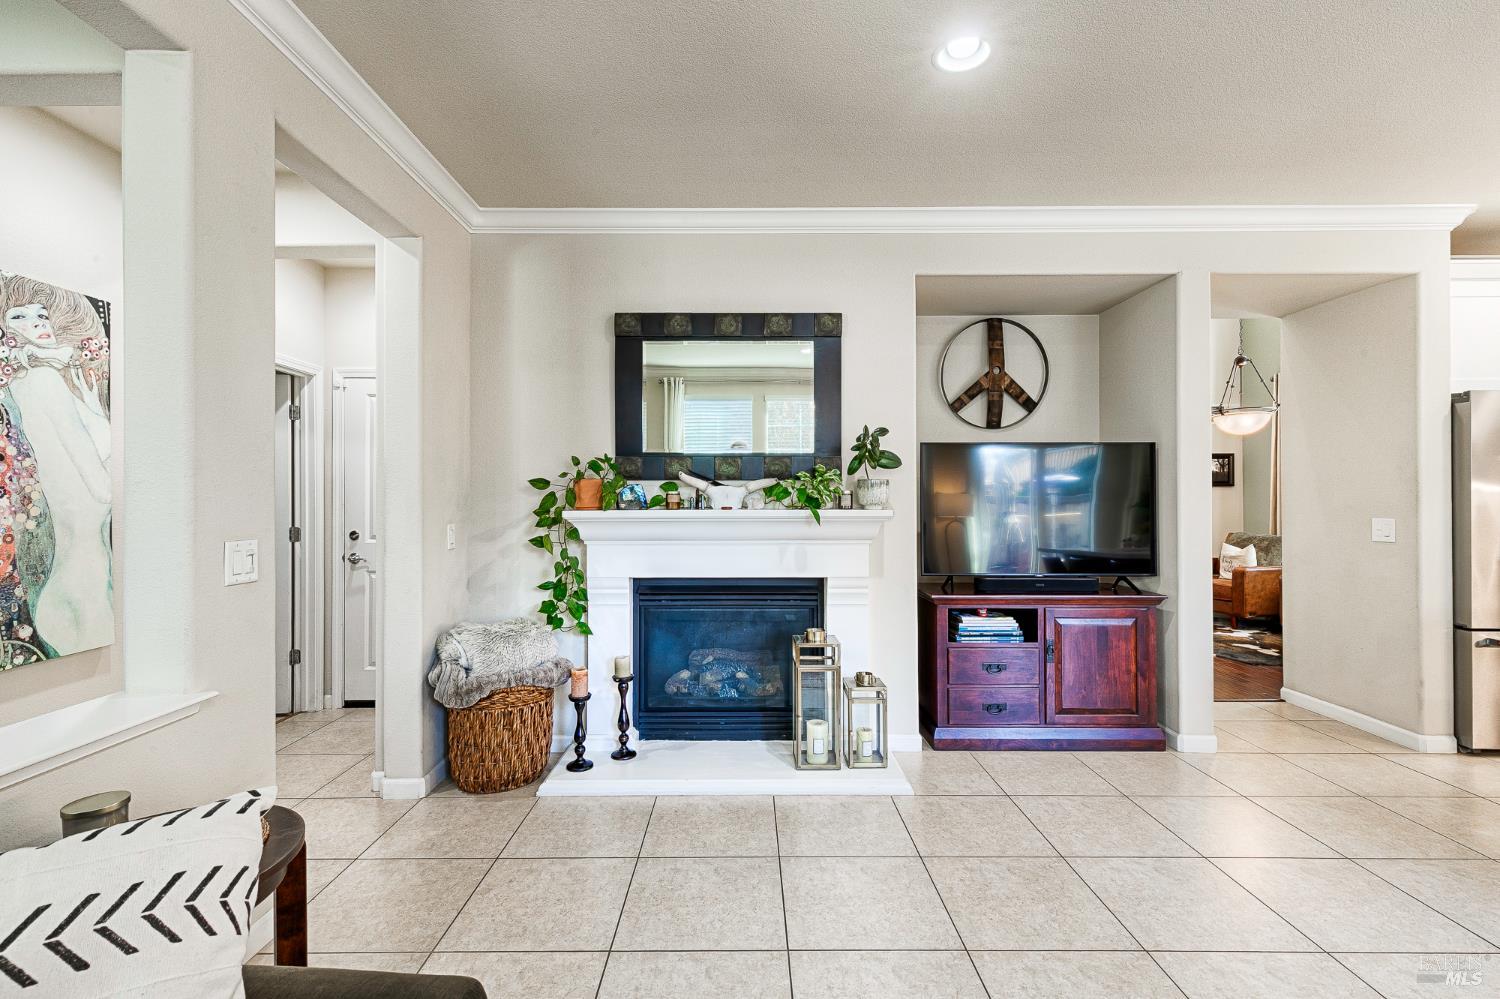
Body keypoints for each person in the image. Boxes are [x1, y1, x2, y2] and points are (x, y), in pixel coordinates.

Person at [0, 272, 112, 658]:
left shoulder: (46, 381)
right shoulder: (43, 382)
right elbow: (102, 487)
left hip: (79, 562)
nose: (36, 323)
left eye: (42, 314)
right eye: (19, 316)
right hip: (79, 569)